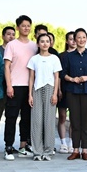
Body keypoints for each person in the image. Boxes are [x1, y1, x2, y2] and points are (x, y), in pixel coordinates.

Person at [59, 29, 87, 161]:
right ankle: (75, 150)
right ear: (75, 40)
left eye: (83, 37)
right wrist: (72, 79)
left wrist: (86, 77)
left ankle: (85, 150)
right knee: (75, 121)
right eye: (78, 37)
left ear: (86, 39)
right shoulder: (68, 56)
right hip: (73, 91)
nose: (81, 40)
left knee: (86, 121)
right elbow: (62, 73)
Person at [4, 16, 38, 158]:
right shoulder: (12, 45)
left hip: (29, 87)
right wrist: (9, 86)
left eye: (28, 25)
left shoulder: (34, 46)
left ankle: (23, 146)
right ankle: (8, 146)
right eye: (23, 26)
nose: (26, 28)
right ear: (17, 27)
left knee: (26, 118)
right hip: (15, 86)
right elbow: (7, 66)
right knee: (11, 117)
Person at [27, 33, 61, 161]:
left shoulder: (54, 59)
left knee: (49, 121)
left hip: (50, 89)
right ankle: (37, 152)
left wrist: (55, 94)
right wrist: (30, 95)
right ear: (38, 44)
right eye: (42, 41)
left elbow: (56, 77)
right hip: (36, 89)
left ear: (50, 43)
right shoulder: (34, 59)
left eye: (47, 41)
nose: (45, 43)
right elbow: (31, 78)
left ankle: (48, 151)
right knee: (36, 122)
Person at [0, 26, 16, 152]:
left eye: (13, 34)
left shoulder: (16, 49)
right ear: (3, 36)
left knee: (11, 118)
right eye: (8, 34)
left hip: (14, 87)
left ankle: (10, 144)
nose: (11, 36)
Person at [57, 30, 76, 153]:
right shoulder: (61, 56)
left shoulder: (81, 55)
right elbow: (58, 74)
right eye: (71, 39)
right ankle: (63, 143)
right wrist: (58, 89)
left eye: (75, 39)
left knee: (74, 118)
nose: (73, 41)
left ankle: (71, 142)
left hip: (76, 89)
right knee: (62, 117)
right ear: (66, 41)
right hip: (63, 88)